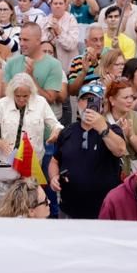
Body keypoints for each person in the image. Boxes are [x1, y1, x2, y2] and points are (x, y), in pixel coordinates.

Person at [49, 81, 126, 219]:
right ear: (78, 103)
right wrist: (54, 177)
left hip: (104, 211)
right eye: (84, 99)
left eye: (93, 100)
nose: (88, 104)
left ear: (103, 105)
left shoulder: (113, 130)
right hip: (70, 209)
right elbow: (54, 161)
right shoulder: (67, 132)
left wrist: (102, 128)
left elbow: (120, 150)